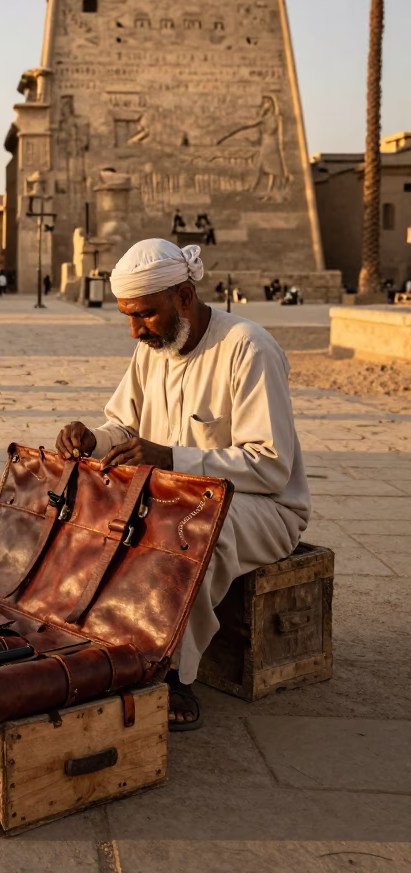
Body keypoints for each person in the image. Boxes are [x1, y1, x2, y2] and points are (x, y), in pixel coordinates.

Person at [55, 238, 310, 732]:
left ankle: (170, 672)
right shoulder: (154, 348)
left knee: (186, 529)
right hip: (176, 492)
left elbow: (269, 465)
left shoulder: (248, 348)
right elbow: (124, 427)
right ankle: (103, 635)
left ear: (184, 298)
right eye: (127, 316)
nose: (134, 330)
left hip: (265, 506)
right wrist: (91, 438)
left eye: (145, 315)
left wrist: (170, 458)